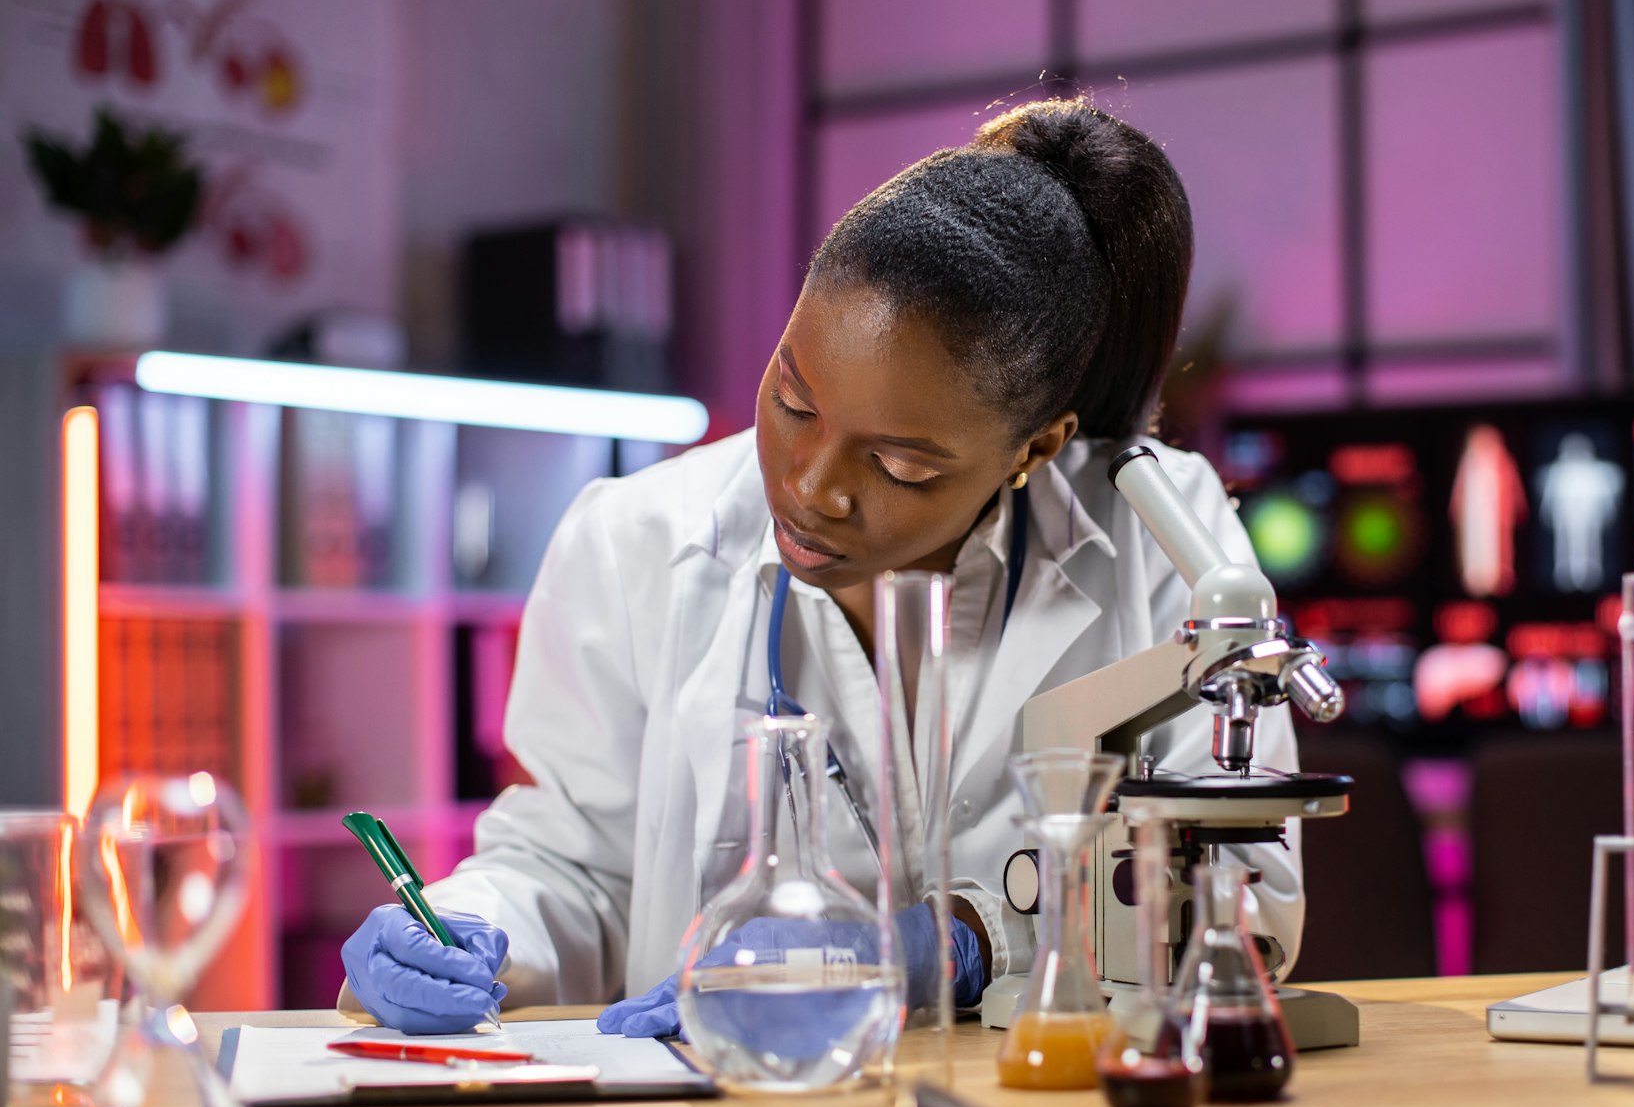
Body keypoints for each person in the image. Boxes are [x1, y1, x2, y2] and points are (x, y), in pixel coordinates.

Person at [339, 99, 1303, 1037]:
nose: (812, 487)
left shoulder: (1158, 529)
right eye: (795, 402)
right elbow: (580, 868)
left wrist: (966, 941)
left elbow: (1254, 902)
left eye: (899, 465)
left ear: (1035, 448)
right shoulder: (632, 540)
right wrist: (479, 925)